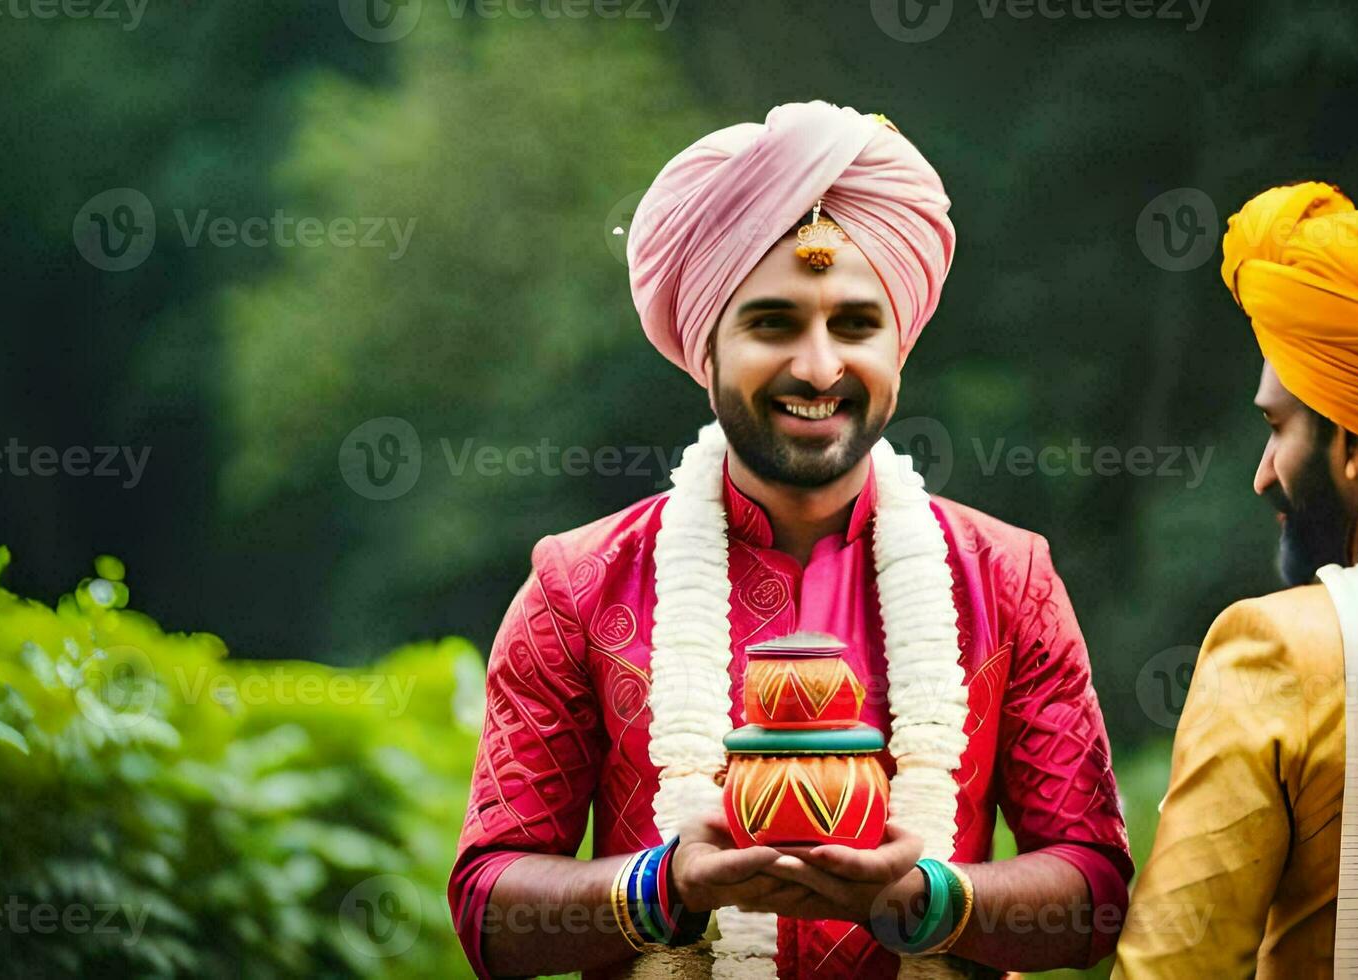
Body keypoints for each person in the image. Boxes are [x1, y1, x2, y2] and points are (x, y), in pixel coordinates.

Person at [449, 100, 1132, 980]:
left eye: (854, 325)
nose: (818, 368)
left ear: (901, 344)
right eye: (773, 324)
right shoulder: (578, 588)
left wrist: (928, 901)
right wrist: (663, 888)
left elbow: (1096, 893)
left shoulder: (1006, 580)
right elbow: (487, 910)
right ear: (706, 349)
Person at [1113, 181, 1358, 979]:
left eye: (1278, 427)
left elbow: (1173, 968)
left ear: (1356, 444)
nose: (1264, 475)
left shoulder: (1277, 648)